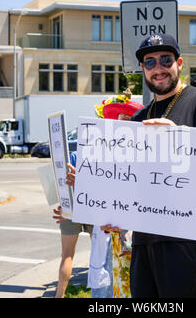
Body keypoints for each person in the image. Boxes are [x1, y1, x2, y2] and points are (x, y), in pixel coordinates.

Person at [112, 33, 196, 298]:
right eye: (150, 62)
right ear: (142, 69)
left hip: (190, 240)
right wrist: (96, 193)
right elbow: (126, 180)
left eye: (165, 60)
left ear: (179, 63)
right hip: (144, 240)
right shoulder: (138, 119)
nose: (158, 68)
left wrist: (183, 138)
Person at [54, 92, 143, 298]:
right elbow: (97, 204)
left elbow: (131, 194)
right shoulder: (96, 155)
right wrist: (70, 210)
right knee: (104, 288)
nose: (124, 125)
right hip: (104, 238)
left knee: (127, 287)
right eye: (120, 120)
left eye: (130, 120)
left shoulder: (139, 157)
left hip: (130, 240)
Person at [52, 151, 93, 298]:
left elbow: (60, 183)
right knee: (98, 254)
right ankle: (98, 292)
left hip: (70, 208)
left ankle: (59, 295)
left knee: (67, 255)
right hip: (94, 207)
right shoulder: (101, 155)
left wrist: (63, 205)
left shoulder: (72, 155)